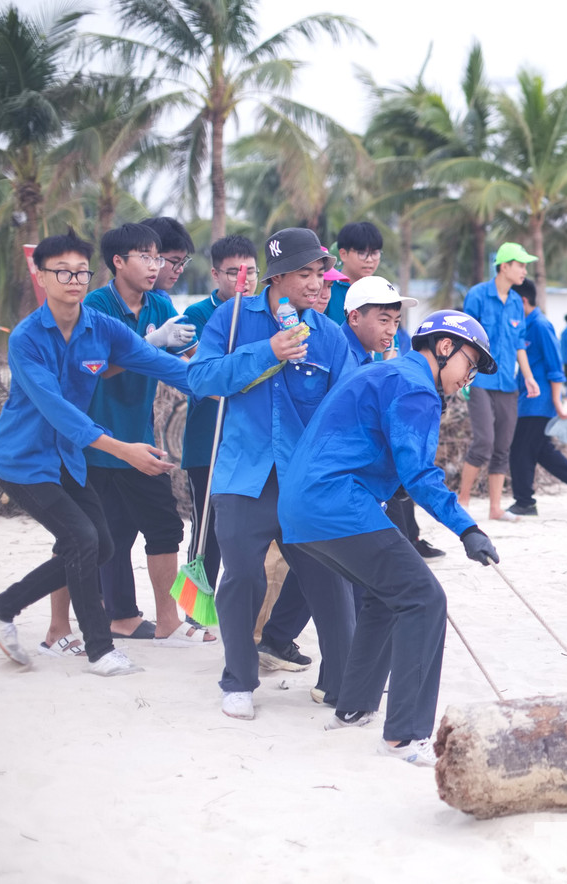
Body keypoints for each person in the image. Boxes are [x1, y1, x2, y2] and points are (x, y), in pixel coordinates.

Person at [279, 310, 500, 766]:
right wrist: (468, 529)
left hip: (301, 508)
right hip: (337, 501)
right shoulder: (418, 387)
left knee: (384, 595)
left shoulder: (384, 369)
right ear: (444, 348)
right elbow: (419, 473)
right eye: (470, 364)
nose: (469, 378)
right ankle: (405, 736)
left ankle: (353, 709)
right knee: (424, 599)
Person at [0, 229, 190, 676]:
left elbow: (161, 364)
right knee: (83, 540)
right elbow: (59, 412)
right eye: (62, 272)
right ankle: (100, 649)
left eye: (80, 271)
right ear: (42, 276)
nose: (73, 280)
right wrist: (124, 450)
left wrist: (223, 379)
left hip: (68, 458)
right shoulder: (26, 338)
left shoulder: (101, 328)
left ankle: (0, 608)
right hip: (25, 462)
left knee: (101, 545)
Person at [187, 227, 358, 720]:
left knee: (328, 577)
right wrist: (269, 352)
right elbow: (200, 379)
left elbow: (345, 408)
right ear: (278, 276)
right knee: (242, 577)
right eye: (305, 273)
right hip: (244, 474)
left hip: (306, 481)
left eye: (319, 272)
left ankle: (340, 683)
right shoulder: (233, 316)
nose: (316, 282)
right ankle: (238, 680)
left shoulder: (327, 334)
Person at [78, 222, 212, 645]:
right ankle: (94, 621)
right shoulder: (96, 306)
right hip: (97, 440)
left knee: (164, 526)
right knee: (99, 533)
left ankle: (171, 619)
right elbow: (94, 371)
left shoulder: (161, 302)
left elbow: (180, 361)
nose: (157, 267)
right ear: (118, 262)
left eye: (162, 259)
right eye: (148, 258)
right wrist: (148, 343)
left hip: (140, 436)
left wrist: (215, 372)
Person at [182, 235, 260, 594]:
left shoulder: (263, 313)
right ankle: (194, 607)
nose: (243, 280)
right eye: (233, 272)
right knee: (205, 528)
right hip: (207, 438)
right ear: (215, 274)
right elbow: (199, 374)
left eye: (251, 271)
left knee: (245, 528)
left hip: (249, 440)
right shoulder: (197, 316)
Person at [459, 242, 541, 520]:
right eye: (521, 265)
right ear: (504, 266)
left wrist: (528, 378)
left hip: (509, 384)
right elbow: (465, 339)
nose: (524, 270)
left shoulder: (518, 301)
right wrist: (464, 377)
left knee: (503, 446)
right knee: (484, 441)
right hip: (480, 380)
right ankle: (463, 501)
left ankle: (495, 509)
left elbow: (520, 345)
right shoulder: (477, 295)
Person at [508, 280, 567, 517]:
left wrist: (558, 402)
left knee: (520, 450)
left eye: (510, 300)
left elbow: (555, 367)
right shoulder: (524, 326)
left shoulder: (540, 325)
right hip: (528, 401)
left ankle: (525, 502)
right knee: (540, 450)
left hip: (540, 402)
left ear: (522, 301)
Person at [321, 221, 383, 324]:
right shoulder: (327, 287)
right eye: (362, 253)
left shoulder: (383, 290)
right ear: (343, 254)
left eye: (375, 253)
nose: (370, 260)